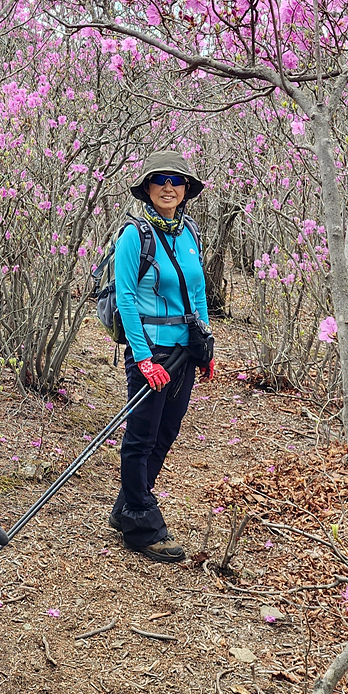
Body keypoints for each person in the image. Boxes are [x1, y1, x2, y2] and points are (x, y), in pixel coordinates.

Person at [109, 150, 214, 562]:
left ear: (186, 189)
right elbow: (126, 299)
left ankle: (128, 505)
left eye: (176, 180)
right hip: (151, 351)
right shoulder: (134, 236)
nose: (168, 187)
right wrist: (143, 358)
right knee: (142, 437)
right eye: (159, 180)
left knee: (167, 432)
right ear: (147, 188)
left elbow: (198, 292)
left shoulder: (190, 234)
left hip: (185, 350)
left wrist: (205, 345)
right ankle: (141, 524)